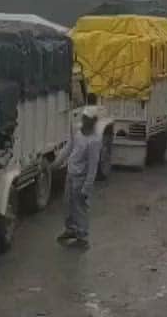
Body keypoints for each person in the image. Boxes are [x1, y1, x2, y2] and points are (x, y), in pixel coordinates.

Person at [57, 105, 104, 249]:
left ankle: (82, 237)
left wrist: (87, 188)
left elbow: (92, 167)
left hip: (81, 178)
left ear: (94, 121)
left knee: (80, 207)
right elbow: (69, 148)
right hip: (71, 174)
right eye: (84, 118)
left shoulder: (94, 141)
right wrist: (57, 162)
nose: (84, 121)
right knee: (68, 204)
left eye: (87, 119)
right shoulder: (77, 131)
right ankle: (71, 229)